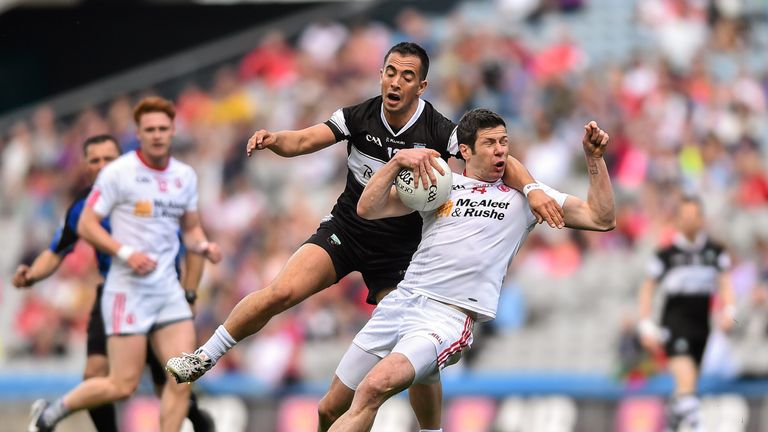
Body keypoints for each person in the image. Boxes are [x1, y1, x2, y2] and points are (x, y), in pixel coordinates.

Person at [166, 42, 563, 432]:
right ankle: (205, 356)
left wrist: (532, 190)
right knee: (281, 292)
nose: (395, 82)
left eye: (407, 76)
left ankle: (431, 430)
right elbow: (304, 140)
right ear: (380, 75)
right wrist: (275, 140)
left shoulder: (440, 130)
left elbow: (498, 157)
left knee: (418, 350)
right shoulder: (359, 116)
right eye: (390, 72)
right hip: (348, 229)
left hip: (400, 255)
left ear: (421, 86)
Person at [323, 109, 615, 431]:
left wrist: (594, 159)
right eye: (489, 143)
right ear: (465, 151)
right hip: (400, 301)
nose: (500, 149)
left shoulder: (526, 197)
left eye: (504, 141)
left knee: (373, 387)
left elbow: (600, 218)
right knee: (329, 409)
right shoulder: (441, 186)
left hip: (445, 318)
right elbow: (368, 208)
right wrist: (395, 164)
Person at [28, 97, 222, 432]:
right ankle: (51, 413)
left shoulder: (184, 176)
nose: (158, 135)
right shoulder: (119, 173)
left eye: (163, 128)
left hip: (167, 291)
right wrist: (125, 252)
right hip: (127, 291)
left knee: (183, 377)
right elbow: (87, 223)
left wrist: (203, 245)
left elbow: (191, 229)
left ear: (174, 130)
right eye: (150, 129)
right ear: (139, 133)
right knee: (122, 384)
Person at [636, 197, 736, 432]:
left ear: (702, 219)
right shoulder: (666, 255)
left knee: (686, 386)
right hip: (674, 324)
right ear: (678, 221)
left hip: (702, 327)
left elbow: (725, 283)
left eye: (694, 216)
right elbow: (648, 288)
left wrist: (730, 310)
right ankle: (697, 426)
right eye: (685, 217)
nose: (690, 222)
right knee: (687, 382)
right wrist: (645, 323)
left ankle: (672, 420)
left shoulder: (715, 251)